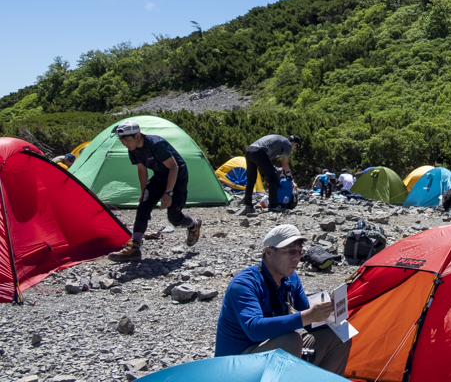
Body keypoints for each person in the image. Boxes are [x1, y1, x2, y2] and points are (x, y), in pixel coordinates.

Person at [214, 224, 351, 373]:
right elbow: (254, 330)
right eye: (290, 251)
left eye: (300, 252)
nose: (297, 258)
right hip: (235, 364)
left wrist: (331, 313)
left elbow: (308, 318)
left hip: (268, 351)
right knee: (291, 339)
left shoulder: (291, 278)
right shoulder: (244, 283)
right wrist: (308, 316)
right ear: (268, 252)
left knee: (341, 335)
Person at [108, 121, 201, 261]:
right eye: (122, 140)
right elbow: (142, 170)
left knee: (174, 218)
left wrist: (168, 193)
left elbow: (174, 167)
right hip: (159, 177)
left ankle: (193, 225)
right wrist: (143, 193)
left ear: (138, 135)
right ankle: (134, 247)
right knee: (143, 207)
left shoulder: (155, 144)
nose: (125, 143)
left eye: (127, 139)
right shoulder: (132, 149)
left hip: (177, 178)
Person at [240, 134, 300, 216]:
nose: (293, 148)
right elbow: (284, 164)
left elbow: (265, 161)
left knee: (251, 180)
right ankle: (273, 206)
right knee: (273, 178)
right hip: (259, 152)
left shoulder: (280, 141)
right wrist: (289, 175)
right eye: (296, 147)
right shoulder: (288, 144)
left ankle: (248, 205)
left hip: (249, 150)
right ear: (295, 144)